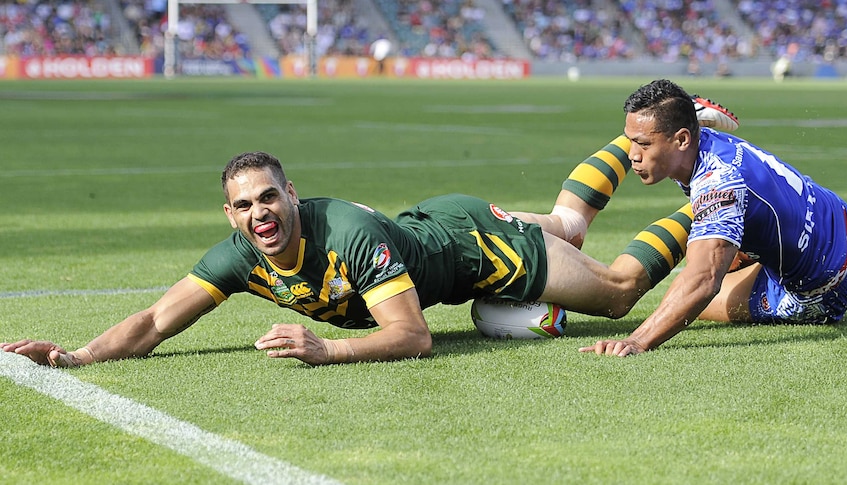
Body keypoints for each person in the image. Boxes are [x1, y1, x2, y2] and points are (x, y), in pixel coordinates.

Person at [2, 95, 736, 367]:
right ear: (229, 215)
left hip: (477, 249)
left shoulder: (345, 231)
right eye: (244, 206)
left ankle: (715, 197)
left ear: (291, 194)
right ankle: (688, 121)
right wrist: (74, 355)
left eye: (269, 197)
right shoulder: (238, 256)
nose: (260, 213)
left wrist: (329, 349)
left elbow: (412, 336)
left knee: (615, 290)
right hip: (441, 219)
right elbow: (155, 319)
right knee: (571, 222)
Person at [580, 79, 847, 357]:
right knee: (719, 246)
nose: (632, 155)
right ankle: (691, 108)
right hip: (842, 217)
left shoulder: (719, 185)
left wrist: (638, 340)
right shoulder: (704, 144)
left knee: (701, 297)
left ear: (681, 139)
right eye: (631, 141)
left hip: (827, 285)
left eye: (643, 144)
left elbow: (703, 281)